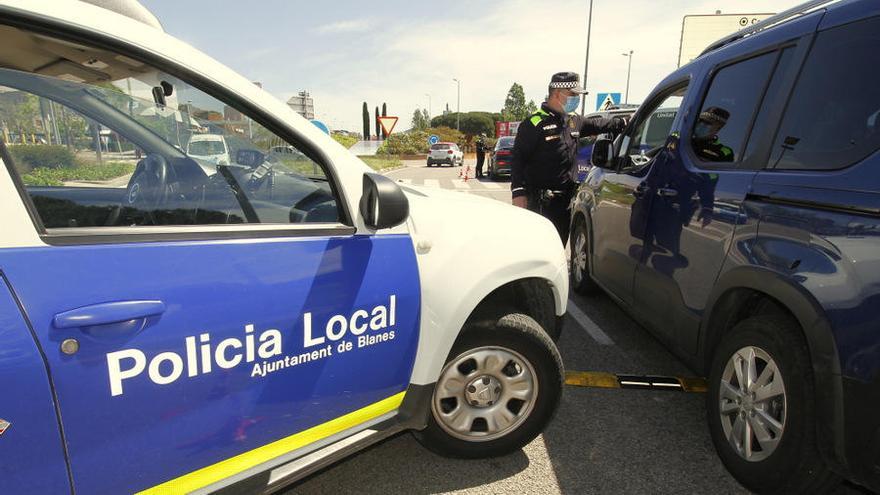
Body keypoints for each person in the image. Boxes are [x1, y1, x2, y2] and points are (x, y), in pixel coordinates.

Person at [511, 72, 628, 243]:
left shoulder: (573, 121)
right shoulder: (534, 123)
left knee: (559, 246)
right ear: (558, 94)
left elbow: (600, 125)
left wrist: (625, 122)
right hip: (541, 203)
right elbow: (518, 159)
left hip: (565, 202)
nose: (576, 99)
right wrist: (518, 194)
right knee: (538, 248)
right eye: (573, 94)